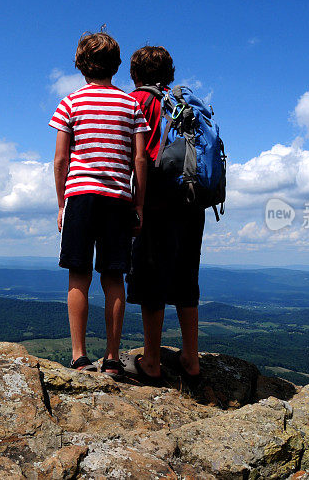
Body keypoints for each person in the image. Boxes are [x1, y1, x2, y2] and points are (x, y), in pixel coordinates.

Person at [50, 32, 149, 375]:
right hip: (118, 200)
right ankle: (112, 358)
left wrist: (62, 203)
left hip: (80, 196)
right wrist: (138, 204)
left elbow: (61, 160)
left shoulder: (70, 103)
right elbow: (139, 160)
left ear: (80, 65)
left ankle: (79, 357)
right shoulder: (130, 105)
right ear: (117, 66)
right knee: (113, 277)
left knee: (79, 276)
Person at [125, 46, 204, 387]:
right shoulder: (184, 103)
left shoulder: (136, 102)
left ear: (135, 73)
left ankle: (152, 361)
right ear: (169, 73)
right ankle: (190, 358)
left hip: (155, 202)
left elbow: (132, 154)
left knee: (150, 279)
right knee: (186, 277)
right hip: (192, 202)